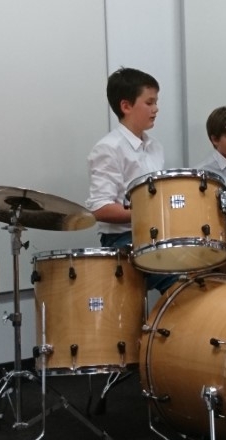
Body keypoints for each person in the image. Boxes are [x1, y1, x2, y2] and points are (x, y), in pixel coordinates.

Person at [85, 67, 176, 293]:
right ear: (126, 106)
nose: (156, 109)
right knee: (179, 276)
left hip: (154, 235)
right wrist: (148, 213)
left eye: (156, 102)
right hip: (122, 239)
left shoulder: (155, 147)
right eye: (149, 102)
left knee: (200, 266)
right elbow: (100, 208)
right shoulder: (108, 148)